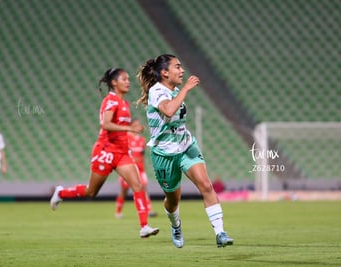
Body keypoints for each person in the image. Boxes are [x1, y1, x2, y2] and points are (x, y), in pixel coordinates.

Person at [136, 54, 234, 248]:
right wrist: (187, 89)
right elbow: (169, 110)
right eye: (177, 67)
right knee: (173, 199)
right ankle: (176, 225)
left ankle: (220, 233)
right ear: (164, 73)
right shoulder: (157, 91)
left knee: (206, 185)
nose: (182, 70)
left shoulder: (175, 90)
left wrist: (183, 90)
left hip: (186, 145)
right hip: (164, 154)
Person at [50, 68, 159, 238]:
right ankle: (61, 193)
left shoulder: (124, 103)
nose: (128, 81)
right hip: (105, 151)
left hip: (122, 153)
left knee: (137, 186)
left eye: (128, 79)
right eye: (124, 79)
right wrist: (130, 128)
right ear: (114, 83)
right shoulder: (110, 101)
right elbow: (106, 125)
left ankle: (144, 226)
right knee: (91, 192)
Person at [115, 126, 157, 218]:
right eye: (135, 124)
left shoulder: (142, 140)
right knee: (124, 191)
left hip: (140, 169)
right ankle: (118, 211)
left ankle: (149, 210)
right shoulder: (125, 138)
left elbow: (142, 154)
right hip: (128, 169)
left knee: (144, 188)